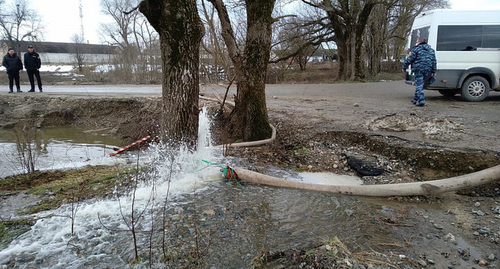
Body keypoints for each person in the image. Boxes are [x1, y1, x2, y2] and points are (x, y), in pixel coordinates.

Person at [402, 37, 437, 106]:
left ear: (419, 42)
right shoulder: (431, 50)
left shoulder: (416, 49)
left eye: (417, 41)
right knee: (420, 84)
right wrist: (433, 71)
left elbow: (410, 59)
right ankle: (415, 99)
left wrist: (404, 67)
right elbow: (434, 61)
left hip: (419, 69)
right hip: (428, 69)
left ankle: (421, 100)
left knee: (419, 84)